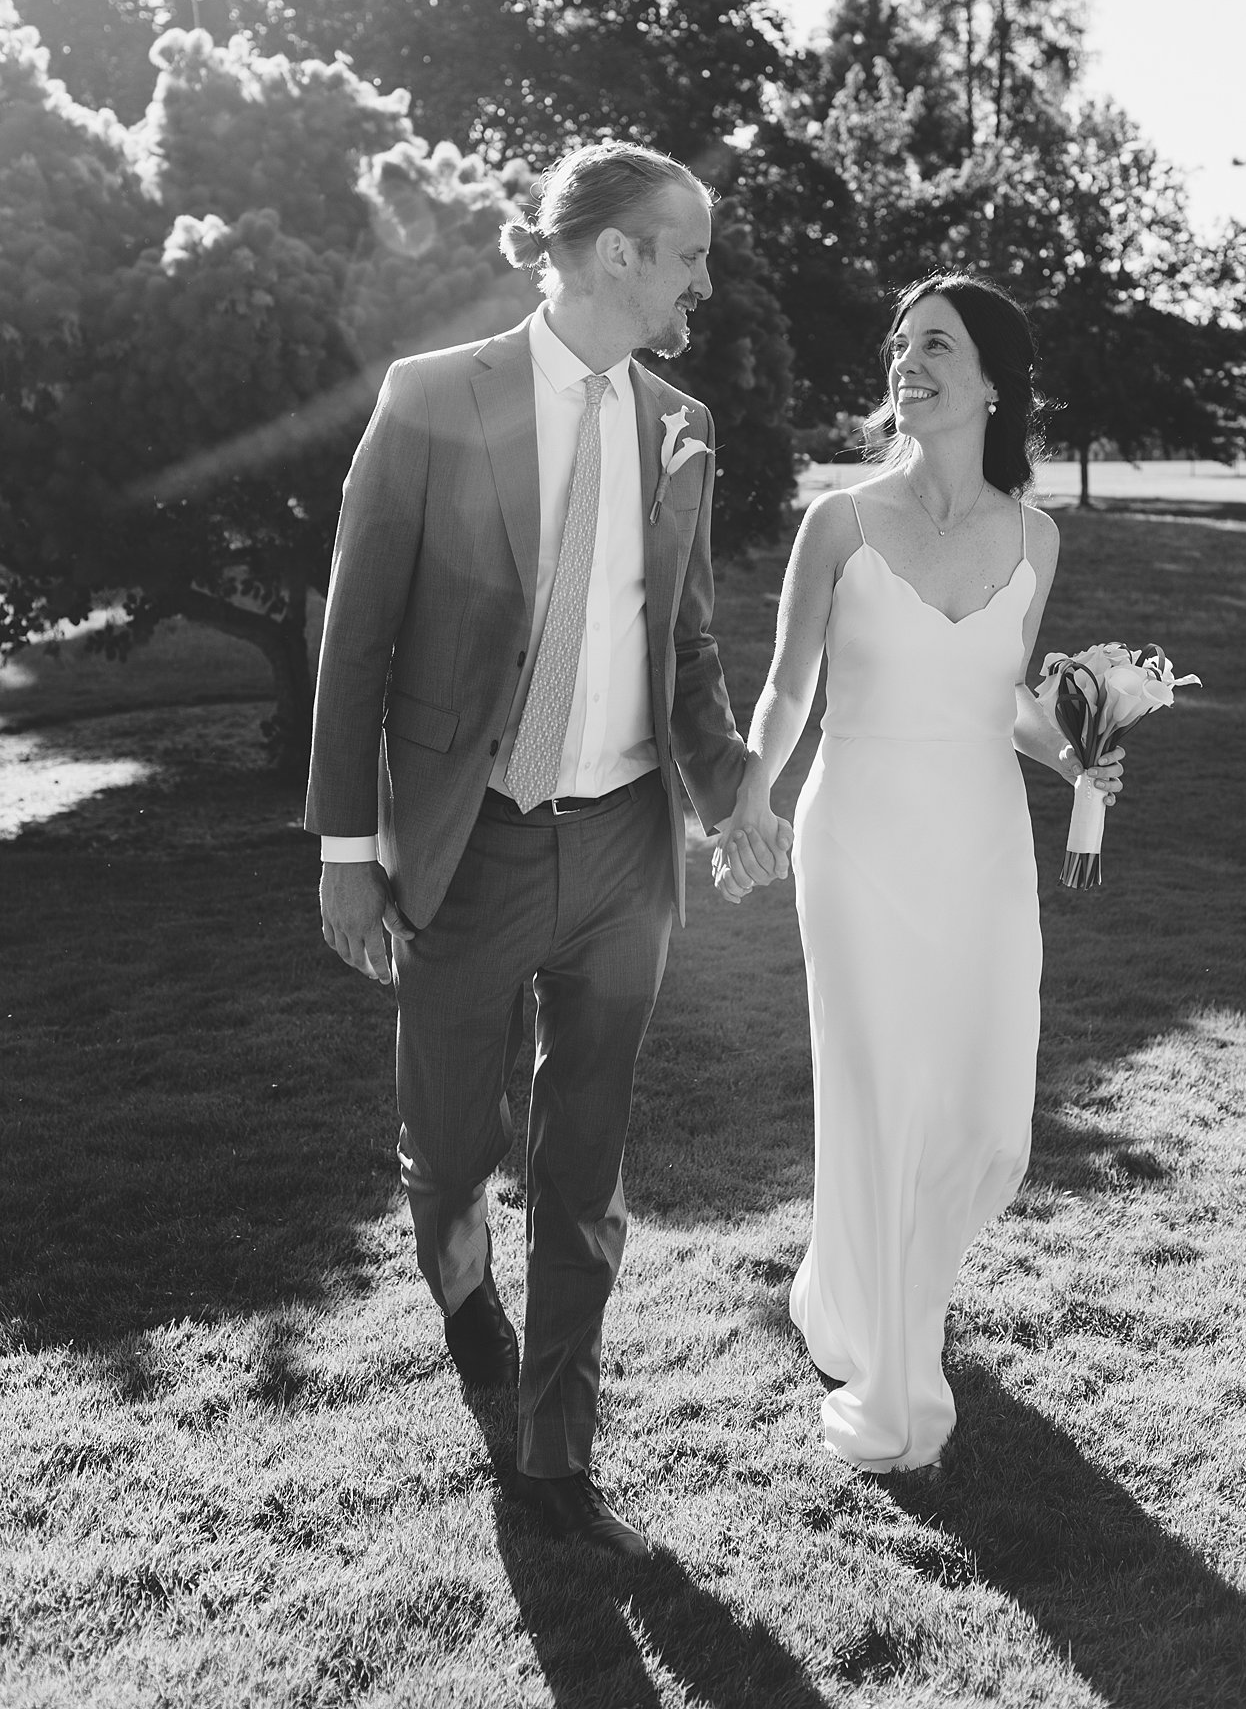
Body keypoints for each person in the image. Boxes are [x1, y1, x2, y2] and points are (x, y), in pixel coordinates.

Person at [305, 142, 790, 1556]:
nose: (703, 276)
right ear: (618, 253)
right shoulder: (432, 400)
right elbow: (356, 646)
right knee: (451, 1158)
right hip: (474, 850)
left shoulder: (681, 426)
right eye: (687, 250)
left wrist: (730, 797)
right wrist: (349, 850)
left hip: (626, 852)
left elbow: (687, 650)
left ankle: (556, 1456)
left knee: (584, 1167)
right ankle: (471, 1321)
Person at [715, 272, 1124, 1473]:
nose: (910, 360)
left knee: (990, 1116)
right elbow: (792, 685)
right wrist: (755, 785)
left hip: (983, 845)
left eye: (937, 344)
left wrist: (1084, 753)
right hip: (859, 840)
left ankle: (854, 1292)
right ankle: (897, 1387)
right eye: (901, 344)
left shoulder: (1034, 536)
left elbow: (998, 695)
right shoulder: (839, 522)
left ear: (993, 381)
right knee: (885, 1095)